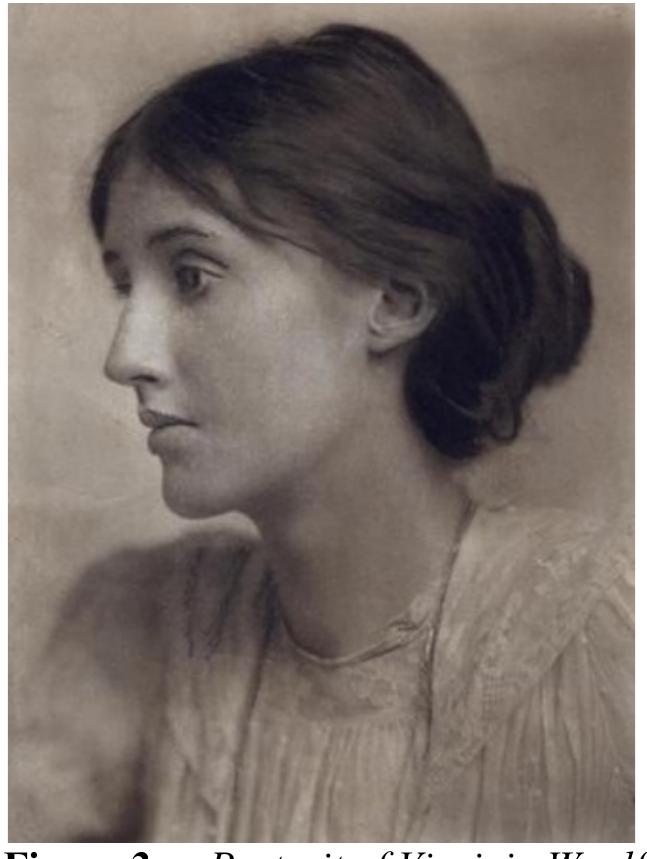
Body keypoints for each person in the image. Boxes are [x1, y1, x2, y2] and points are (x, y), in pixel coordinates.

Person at [10, 23, 633, 842]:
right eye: (127, 285)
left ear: (395, 300)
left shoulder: (605, 636)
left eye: (191, 275)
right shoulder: (138, 629)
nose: (125, 356)